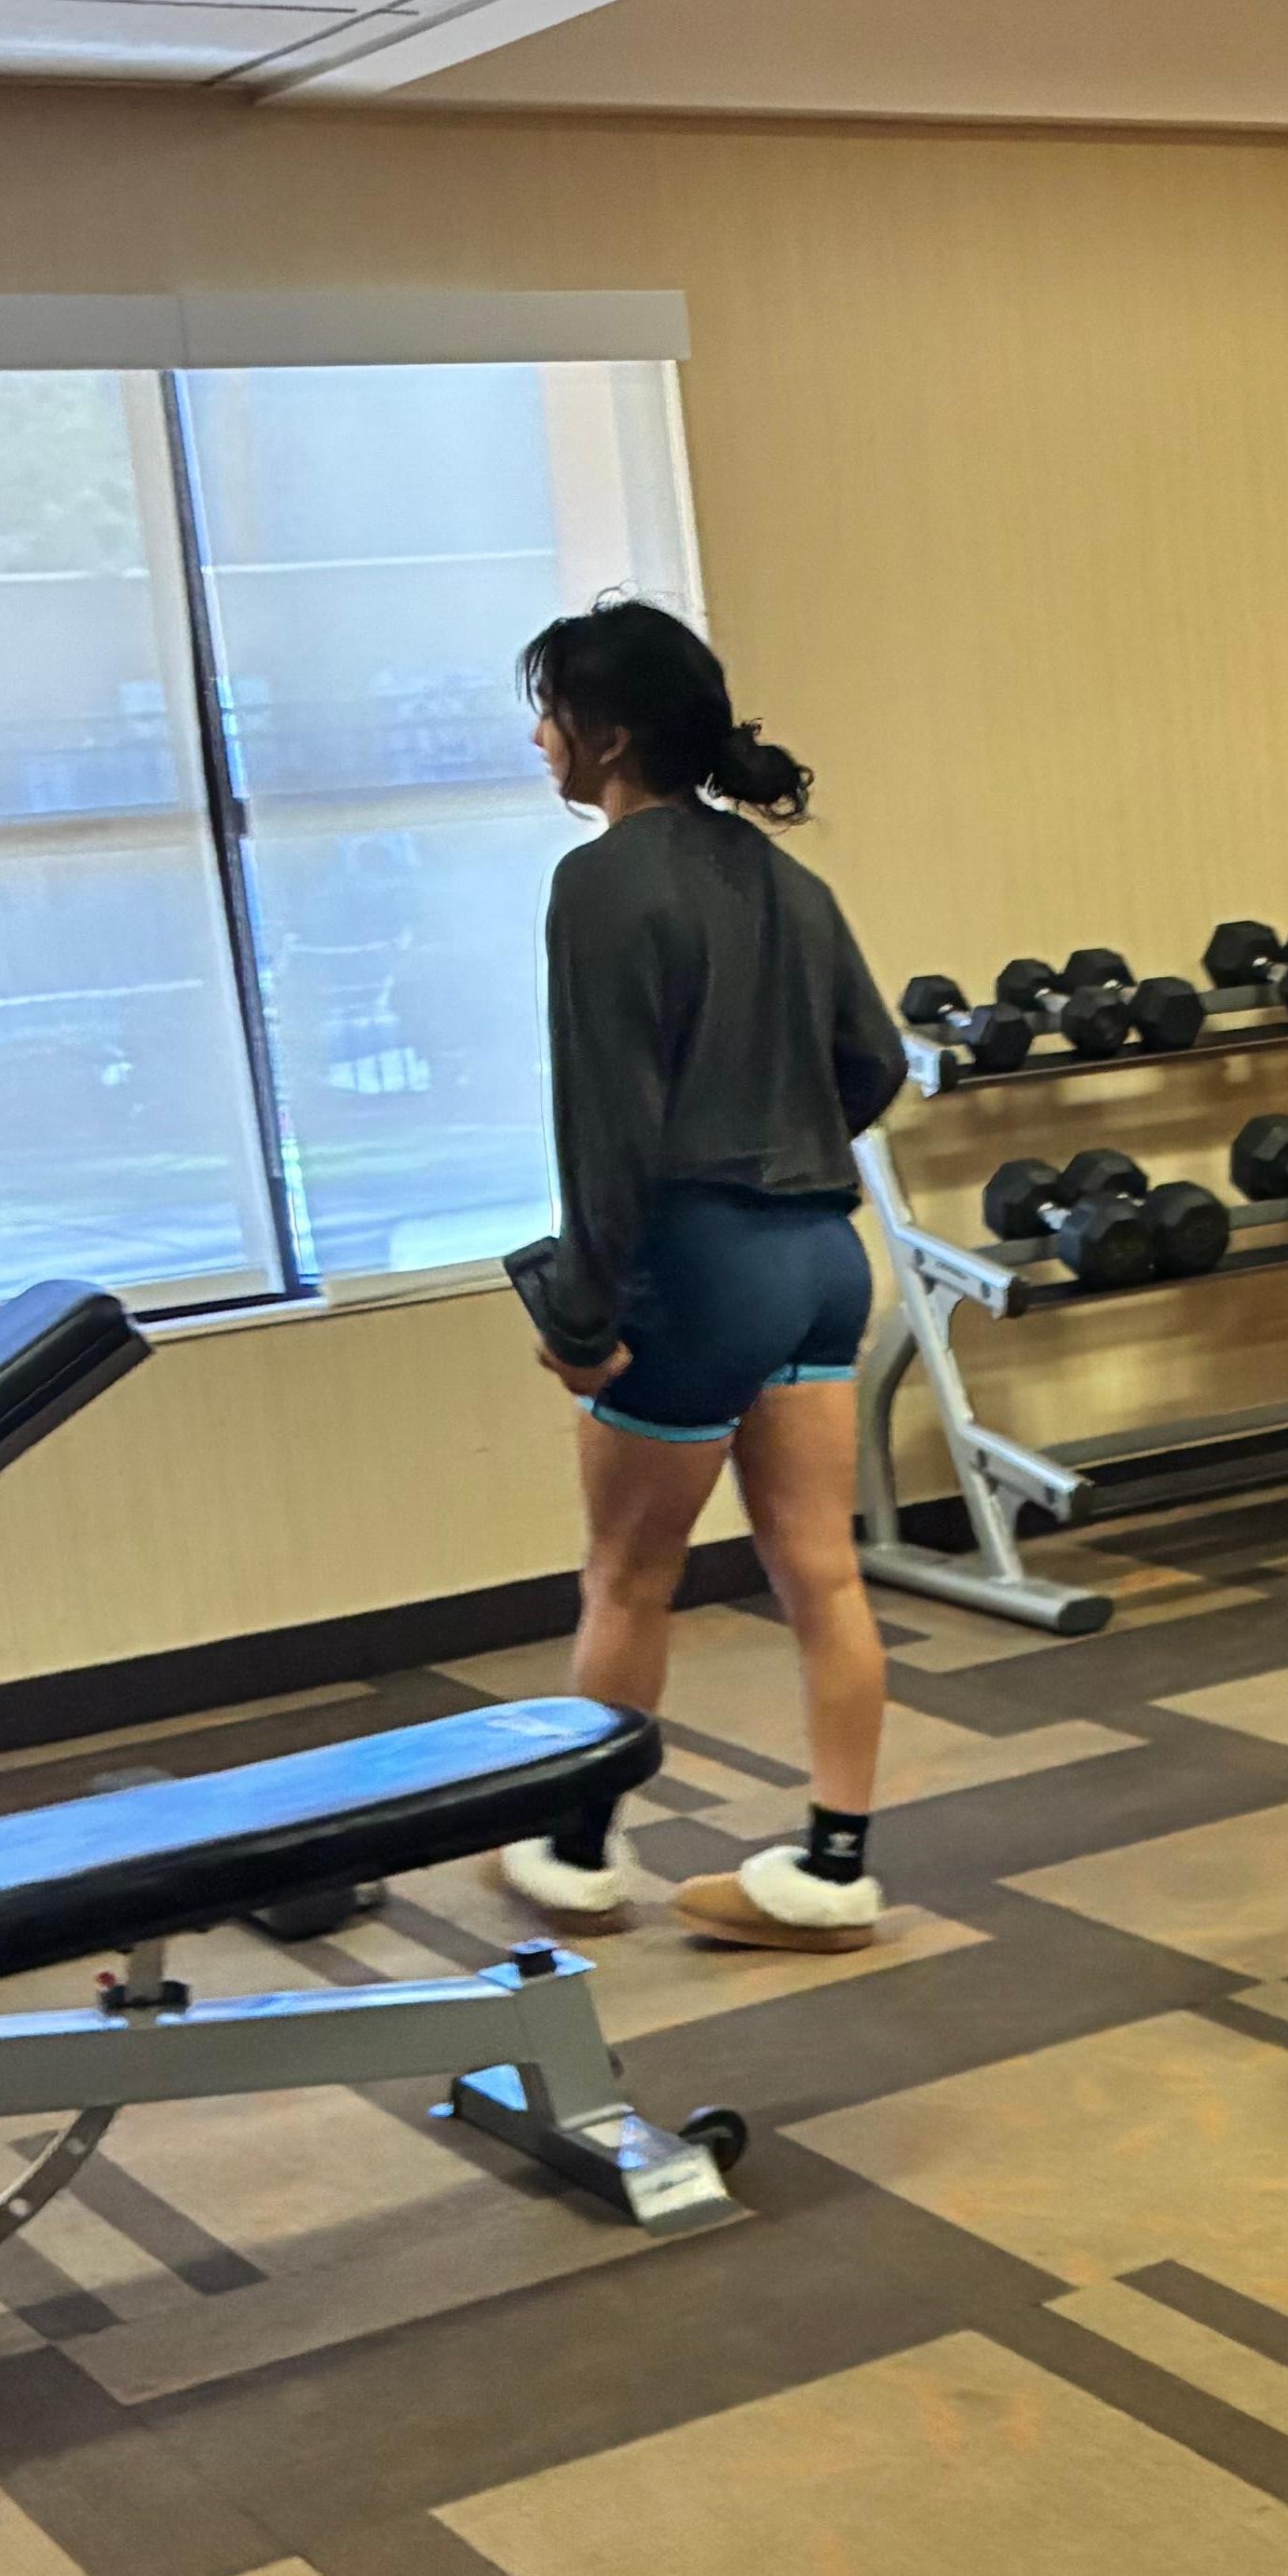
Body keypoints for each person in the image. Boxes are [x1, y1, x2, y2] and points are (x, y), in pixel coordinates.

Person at [497, 596, 909, 1949]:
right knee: (822, 1572)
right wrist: (783, 1137)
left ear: (609, 736)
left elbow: (606, 1129)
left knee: (627, 1575)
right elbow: (875, 1067)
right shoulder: (789, 883)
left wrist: (581, 1316)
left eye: (552, 713)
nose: (542, 740)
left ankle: (577, 1852)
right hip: (822, 1260)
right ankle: (835, 1869)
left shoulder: (601, 882)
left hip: (698, 1266)